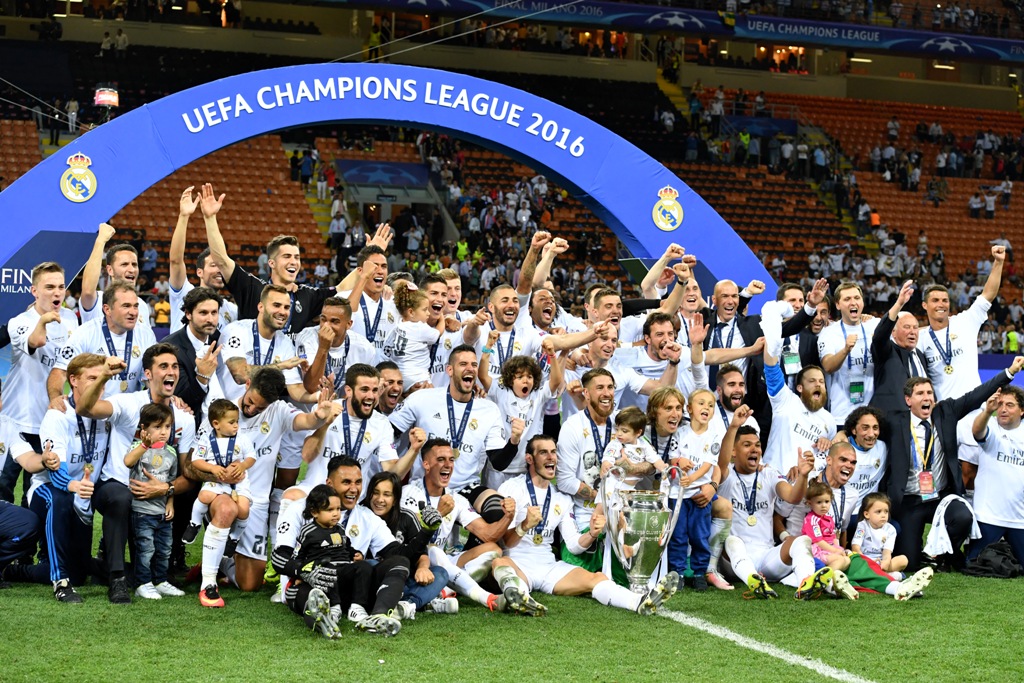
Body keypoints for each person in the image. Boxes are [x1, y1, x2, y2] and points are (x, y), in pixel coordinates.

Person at [74, 343, 198, 604]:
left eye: (174, 366)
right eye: (163, 366)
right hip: (116, 483)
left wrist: (166, 489)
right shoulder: (128, 403)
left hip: (157, 492)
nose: (171, 371)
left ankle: (161, 571)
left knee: (192, 491)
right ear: (147, 375)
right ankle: (117, 579)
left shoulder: (185, 418)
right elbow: (86, 409)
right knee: (122, 498)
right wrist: (106, 376)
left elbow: (187, 472)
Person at [499, 435, 679, 613]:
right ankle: (519, 597)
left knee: (597, 578)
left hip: (548, 566)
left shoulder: (561, 499)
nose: (551, 457)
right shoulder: (512, 488)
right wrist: (524, 525)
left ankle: (638, 602)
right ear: (529, 458)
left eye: (553, 452)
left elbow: (573, 546)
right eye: (543, 453)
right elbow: (505, 542)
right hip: (518, 563)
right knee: (500, 562)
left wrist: (592, 533)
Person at [882, 357, 1024, 572]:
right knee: (909, 563)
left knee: (963, 516)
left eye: (929, 393)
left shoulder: (945, 412)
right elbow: (865, 423)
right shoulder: (894, 421)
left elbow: (977, 394)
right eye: (920, 394)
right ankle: (920, 552)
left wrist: (1010, 371)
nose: (926, 397)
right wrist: (844, 433)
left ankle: (944, 555)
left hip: (940, 497)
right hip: (909, 500)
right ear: (908, 400)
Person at [272, 456, 424, 635]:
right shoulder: (299, 511)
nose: (354, 489)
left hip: (350, 589)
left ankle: (377, 617)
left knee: (399, 561)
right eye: (346, 482)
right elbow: (279, 557)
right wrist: (305, 570)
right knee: (312, 593)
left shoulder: (367, 516)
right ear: (329, 484)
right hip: (310, 583)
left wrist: (426, 532)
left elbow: (399, 553)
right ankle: (320, 619)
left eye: (358, 482)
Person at [401, 438, 541, 614]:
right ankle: (481, 596)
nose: (448, 465)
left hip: (444, 563)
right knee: (433, 550)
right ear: (426, 464)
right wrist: (439, 513)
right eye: (441, 459)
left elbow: (488, 535)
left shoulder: (456, 499)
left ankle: (444, 591)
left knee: (493, 550)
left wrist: (508, 517)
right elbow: (407, 537)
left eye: (451, 460)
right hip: (417, 559)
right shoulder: (410, 493)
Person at [714, 406, 833, 599]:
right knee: (732, 541)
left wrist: (803, 475)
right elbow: (722, 462)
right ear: (734, 452)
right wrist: (734, 426)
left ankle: (806, 583)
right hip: (733, 562)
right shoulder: (726, 475)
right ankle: (752, 580)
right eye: (747, 445)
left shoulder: (769, 473)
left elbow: (793, 496)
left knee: (801, 541)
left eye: (758, 445)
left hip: (766, 555)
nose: (755, 449)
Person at [32, 354, 110, 602]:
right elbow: (55, 472)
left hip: (83, 495)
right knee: (60, 498)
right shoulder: (58, 414)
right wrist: (71, 484)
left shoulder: (109, 412)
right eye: (92, 378)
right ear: (73, 380)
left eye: (102, 379)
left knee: (79, 573)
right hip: (49, 489)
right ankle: (60, 583)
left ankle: (13, 570)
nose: (99, 385)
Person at [3, 262, 79, 475]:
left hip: (49, 419)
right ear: (34, 291)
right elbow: (36, 341)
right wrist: (45, 319)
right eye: (49, 287)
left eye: (61, 287)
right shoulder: (20, 322)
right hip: (16, 419)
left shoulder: (71, 319)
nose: (57, 292)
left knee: (35, 489)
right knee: (3, 486)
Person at [49, 280, 158, 407]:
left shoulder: (146, 334)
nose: (133, 312)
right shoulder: (86, 333)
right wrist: (56, 399)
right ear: (107, 309)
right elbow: (59, 371)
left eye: (135, 306)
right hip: (91, 412)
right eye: (126, 306)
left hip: (127, 416)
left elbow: (151, 377)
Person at [361, 471, 456, 617]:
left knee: (441, 573)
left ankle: (406, 605)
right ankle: (423, 601)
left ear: (395, 499)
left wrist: (423, 568)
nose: (380, 499)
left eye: (386, 494)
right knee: (371, 564)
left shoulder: (406, 517)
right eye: (375, 493)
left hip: (405, 578)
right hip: (377, 580)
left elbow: (421, 553)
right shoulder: (360, 515)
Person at [123, 403, 185, 600]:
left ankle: (160, 580)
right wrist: (144, 445)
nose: (163, 432)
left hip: (162, 512)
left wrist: (170, 503)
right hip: (141, 511)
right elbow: (127, 462)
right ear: (144, 429)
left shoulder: (172, 452)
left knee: (164, 549)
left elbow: (171, 481)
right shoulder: (138, 448)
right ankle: (143, 582)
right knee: (145, 549)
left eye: (167, 427)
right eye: (157, 427)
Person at [168, 187, 238, 333]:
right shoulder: (184, 293)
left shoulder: (231, 310)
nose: (219, 270)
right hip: (182, 356)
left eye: (221, 265)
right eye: (214, 265)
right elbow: (175, 261)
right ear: (199, 272)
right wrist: (184, 216)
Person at [969, 386, 1024, 566]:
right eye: (1000, 404)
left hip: (1020, 518)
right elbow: (977, 431)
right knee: (975, 563)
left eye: (1010, 405)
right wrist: (987, 411)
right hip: (989, 516)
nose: (1003, 409)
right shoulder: (990, 425)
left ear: (1022, 410)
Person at [290, 485, 348, 638]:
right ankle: (334, 609)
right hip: (321, 576)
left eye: (338, 509)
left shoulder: (340, 530)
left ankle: (360, 609)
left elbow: (347, 549)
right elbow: (298, 556)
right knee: (327, 568)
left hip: (343, 573)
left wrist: (356, 554)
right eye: (330, 510)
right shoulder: (308, 532)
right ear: (314, 512)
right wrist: (299, 575)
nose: (336, 514)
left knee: (363, 567)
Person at [869, 280, 930, 415]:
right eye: (907, 327)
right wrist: (899, 304)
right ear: (893, 332)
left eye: (915, 328)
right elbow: (879, 337)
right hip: (892, 420)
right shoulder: (886, 351)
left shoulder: (920, 355)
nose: (912, 332)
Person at [77, 224, 152, 327]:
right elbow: (88, 290)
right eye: (124, 264)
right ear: (110, 270)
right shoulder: (98, 300)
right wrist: (101, 241)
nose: (131, 269)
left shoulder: (141, 305)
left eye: (134, 264)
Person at [382, 280, 445, 385]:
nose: (428, 313)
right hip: (418, 377)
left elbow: (386, 351)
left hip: (400, 377)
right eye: (425, 310)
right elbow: (437, 334)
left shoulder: (396, 328)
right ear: (411, 312)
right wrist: (442, 318)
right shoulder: (419, 327)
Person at [600, 406, 666, 487]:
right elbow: (608, 455)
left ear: (638, 432)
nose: (619, 434)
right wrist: (606, 463)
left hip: (635, 487)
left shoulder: (644, 444)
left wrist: (662, 467)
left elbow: (653, 458)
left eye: (624, 431)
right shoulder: (616, 444)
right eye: (617, 429)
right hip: (615, 484)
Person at [852, 493, 908, 577]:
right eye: (878, 512)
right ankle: (887, 575)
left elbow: (887, 552)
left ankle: (877, 573)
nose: (883, 515)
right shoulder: (862, 525)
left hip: (880, 562)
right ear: (867, 514)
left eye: (886, 511)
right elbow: (856, 547)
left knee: (903, 560)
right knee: (848, 558)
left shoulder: (891, 529)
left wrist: (885, 562)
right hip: (864, 560)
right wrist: (866, 561)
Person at [802, 480, 850, 572]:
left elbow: (834, 537)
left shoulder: (828, 518)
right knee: (839, 559)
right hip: (818, 551)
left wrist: (838, 548)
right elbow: (818, 541)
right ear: (809, 503)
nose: (824, 506)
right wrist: (835, 551)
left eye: (827, 501)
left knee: (847, 560)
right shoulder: (812, 519)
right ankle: (825, 577)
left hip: (830, 548)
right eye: (819, 502)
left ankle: (832, 576)